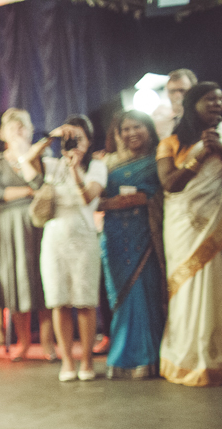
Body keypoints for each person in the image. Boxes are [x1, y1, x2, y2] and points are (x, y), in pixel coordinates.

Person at [22, 116, 107, 382]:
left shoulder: (96, 167)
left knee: (85, 301)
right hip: (55, 238)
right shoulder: (52, 166)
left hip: (83, 237)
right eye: (69, 139)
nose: (73, 144)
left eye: (79, 138)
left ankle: (87, 361)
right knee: (58, 300)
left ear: (89, 141)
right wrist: (51, 136)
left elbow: (87, 198)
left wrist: (74, 169)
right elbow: (26, 162)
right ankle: (67, 361)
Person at [156, 82, 222, 386]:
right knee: (186, 288)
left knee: (215, 290)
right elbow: (170, 184)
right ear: (193, 103)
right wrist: (199, 157)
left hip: (217, 227)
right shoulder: (171, 142)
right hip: (183, 228)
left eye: (220, 100)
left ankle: (214, 356)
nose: (217, 104)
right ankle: (185, 357)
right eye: (210, 100)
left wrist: (218, 150)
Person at [98, 111, 166, 379]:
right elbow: (94, 199)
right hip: (114, 236)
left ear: (148, 129)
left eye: (137, 127)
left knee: (144, 292)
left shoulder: (158, 160)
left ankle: (147, 357)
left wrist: (142, 200)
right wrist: (112, 203)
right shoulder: (107, 163)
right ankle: (122, 358)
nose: (131, 133)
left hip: (145, 233)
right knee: (120, 296)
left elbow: (160, 194)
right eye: (125, 129)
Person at [0, 108, 56, 362]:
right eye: (12, 127)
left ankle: (48, 344)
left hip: (38, 222)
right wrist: (28, 192)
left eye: (22, 127)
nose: (18, 132)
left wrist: (29, 188)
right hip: (10, 226)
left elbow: (45, 186)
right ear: (3, 133)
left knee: (43, 282)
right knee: (16, 283)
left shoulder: (43, 154)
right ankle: (24, 342)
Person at [153, 69, 197, 141]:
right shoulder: (159, 122)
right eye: (172, 91)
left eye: (182, 90)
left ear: (194, 91)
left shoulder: (204, 120)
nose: (177, 95)